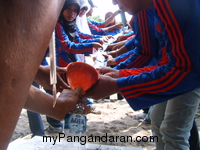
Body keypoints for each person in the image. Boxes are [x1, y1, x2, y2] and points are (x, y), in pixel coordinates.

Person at [84, 0, 200, 150]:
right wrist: (120, 73)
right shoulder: (158, 8)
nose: (113, 2)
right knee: (157, 120)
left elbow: (182, 68)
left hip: (189, 78)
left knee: (174, 131)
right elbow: (166, 61)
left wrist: (118, 84)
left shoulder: (169, 5)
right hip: (178, 73)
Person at [0, 0, 86, 149]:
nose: (72, 13)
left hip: (37, 63)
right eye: (68, 9)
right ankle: (39, 132)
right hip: (29, 62)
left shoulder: (69, 26)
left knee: (50, 88)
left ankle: (55, 124)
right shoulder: (57, 24)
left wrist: (36, 71)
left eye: (75, 10)